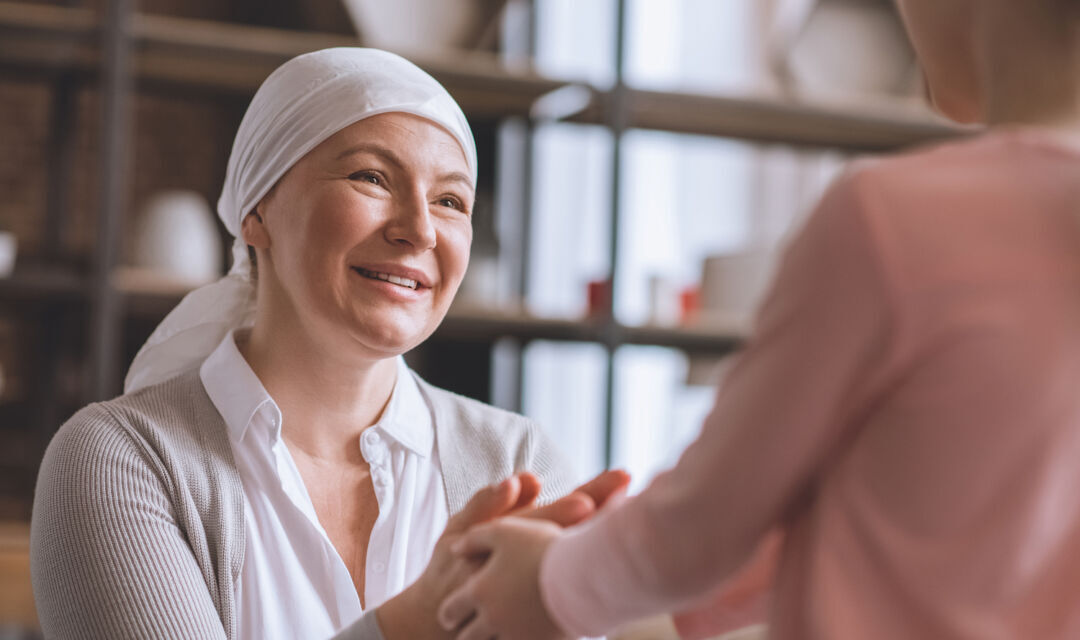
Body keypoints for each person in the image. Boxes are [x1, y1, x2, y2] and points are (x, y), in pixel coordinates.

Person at [436, 1, 1080, 638]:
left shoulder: (893, 217)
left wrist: (548, 582)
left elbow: (701, 527)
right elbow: (911, 515)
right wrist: (592, 553)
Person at [30, 47, 627, 640]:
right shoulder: (122, 460)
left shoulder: (517, 461)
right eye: (371, 177)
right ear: (257, 210)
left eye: (450, 201)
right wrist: (419, 621)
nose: (420, 230)